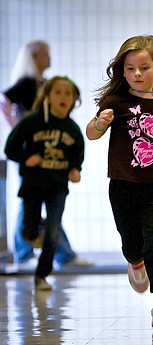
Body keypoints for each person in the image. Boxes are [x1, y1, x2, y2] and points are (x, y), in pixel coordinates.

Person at [86, 35, 153, 331]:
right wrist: (101, 123)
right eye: (130, 69)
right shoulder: (115, 101)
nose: (137, 74)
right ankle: (134, 262)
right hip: (123, 184)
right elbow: (92, 133)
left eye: (144, 68)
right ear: (122, 71)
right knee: (132, 240)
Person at [1, 40, 93, 268]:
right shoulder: (27, 83)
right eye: (45, 54)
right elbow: (4, 100)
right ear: (34, 57)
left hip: (49, 152)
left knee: (52, 200)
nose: (49, 57)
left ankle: (62, 254)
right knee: (29, 201)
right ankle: (25, 253)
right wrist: (17, 125)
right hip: (30, 153)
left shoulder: (45, 83)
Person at [4, 76, 85, 291]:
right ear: (47, 96)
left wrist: (76, 171)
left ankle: (41, 276)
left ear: (74, 100)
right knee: (28, 232)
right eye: (58, 92)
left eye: (68, 94)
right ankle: (35, 230)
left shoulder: (73, 130)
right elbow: (10, 147)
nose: (63, 97)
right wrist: (25, 158)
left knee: (53, 230)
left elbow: (77, 156)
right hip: (32, 185)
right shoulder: (32, 121)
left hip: (57, 187)